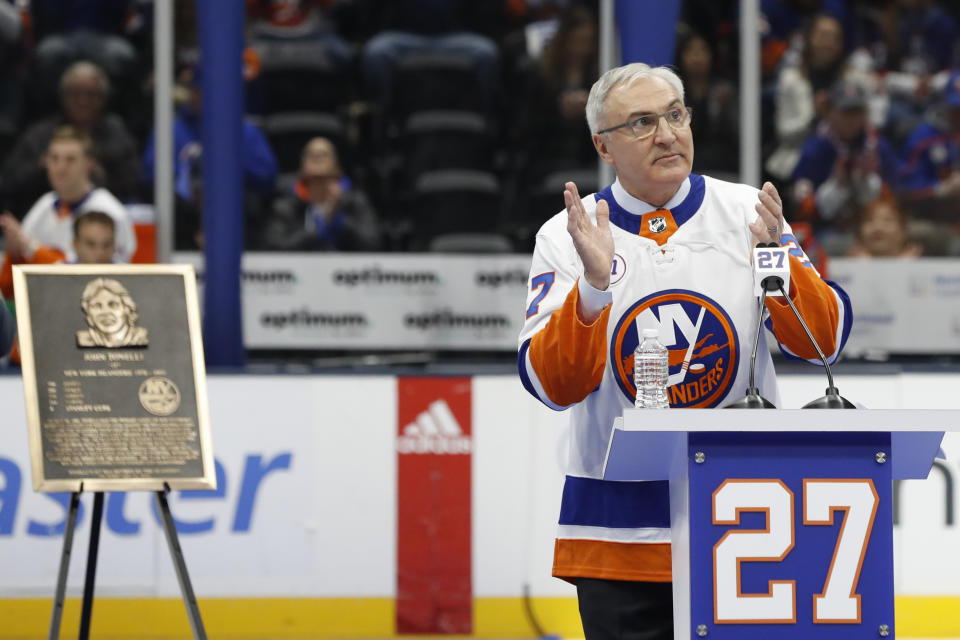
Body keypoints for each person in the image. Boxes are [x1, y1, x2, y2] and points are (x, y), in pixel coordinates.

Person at [517, 62, 852, 640]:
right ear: (603, 145)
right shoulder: (565, 235)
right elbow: (552, 386)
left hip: (746, 521)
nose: (668, 134)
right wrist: (593, 292)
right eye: (642, 122)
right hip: (617, 531)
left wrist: (777, 262)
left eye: (675, 115)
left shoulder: (748, 212)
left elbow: (823, 342)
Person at [0, 60, 142, 214]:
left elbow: (135, 184)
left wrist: (100, 176)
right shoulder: (40, 135)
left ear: (103, 98)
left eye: (91, 94)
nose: (83, 101)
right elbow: (10, 181)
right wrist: (41, 169)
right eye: (75, 94)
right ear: (63, 96)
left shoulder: (117, 135)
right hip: (49, 214)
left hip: (102, 220)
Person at [7, 125, 135, 267]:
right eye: (54, 158)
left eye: (70, 159)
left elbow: (113, 274)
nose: (60, 168)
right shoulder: (45, 203)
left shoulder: (110, 211)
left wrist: (31, 248)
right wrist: (14, 254)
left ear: (89, 164)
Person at [261, 137, 381, 251]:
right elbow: (274, 247)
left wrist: (340, 222)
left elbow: (373, 245)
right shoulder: (286, 205)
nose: (317, 158)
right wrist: (316, 232)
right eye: (311, 154)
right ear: (302, 168)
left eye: (323, 154)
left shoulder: (354, 201)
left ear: (337, 168)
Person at [76, 277, 148, 348]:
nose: (105, 312)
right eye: (97, 306)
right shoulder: (83, 339)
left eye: (113, 305)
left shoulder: (140, 337)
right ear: (89, 315)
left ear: (128, 310)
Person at [846, 196, 922, 257]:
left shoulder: (922, 265)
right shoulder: (842, 268)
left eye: (887, 220)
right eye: (869, 220)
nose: (878, 227)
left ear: (903, 231)